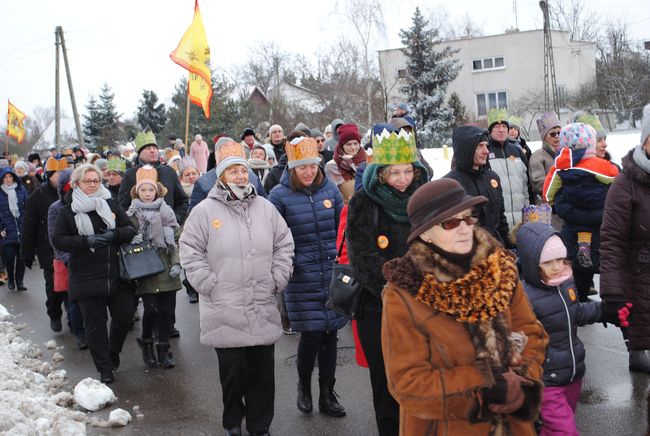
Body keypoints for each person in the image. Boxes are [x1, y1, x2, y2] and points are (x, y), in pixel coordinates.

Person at [381, 178, 548, 435]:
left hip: (515, 426)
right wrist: (485, 388)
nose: (463, 228)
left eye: (468, 218)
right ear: (425, 233)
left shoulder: (499, 268)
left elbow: (532, 333)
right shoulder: (404, 293)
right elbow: (407, 383)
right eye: (449, 223)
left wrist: (522, 382)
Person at [179, 150, 294, 436]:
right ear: (221, 177)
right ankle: (233, 421)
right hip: (224, 305)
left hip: (262, 302)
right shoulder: (204, 211)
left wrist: (278, 276)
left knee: (263, 373)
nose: (240, 176)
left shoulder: (265, 208)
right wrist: (207, 283)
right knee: (233, 374)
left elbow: (284, 244)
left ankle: (259, 425)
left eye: (243, 171)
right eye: (233, 172)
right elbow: (190, 251)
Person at [346, 124, 429, 435]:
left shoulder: (421, 199)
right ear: (381, 173)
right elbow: (363, 258)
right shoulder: (364, 202)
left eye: (407, 171)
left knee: (422, 381)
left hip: (422, 306)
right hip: (379, 309)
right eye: (394, 173)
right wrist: (395, 292)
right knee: (387, 386)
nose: (402, 179)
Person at [267, 137, 347, 418]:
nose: (309, 172)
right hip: (301, 275)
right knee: (311, 335)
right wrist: (287, 265)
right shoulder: (278, 195)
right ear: (292, 169)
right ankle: (304, 385)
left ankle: (327, 393)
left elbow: (342, 228)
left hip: (331, 274)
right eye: (303, 168)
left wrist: (343, 260)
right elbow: (274, 237)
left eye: (312, 167)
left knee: (331, 334)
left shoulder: (330, 190)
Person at [516, 222, 604, 435]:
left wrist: (605, 311)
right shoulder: (524, 297)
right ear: (532, 263)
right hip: (547, 380)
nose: (556, 266)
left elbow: (576, 313)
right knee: (565, 430)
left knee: (555, 427)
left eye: (560, 259)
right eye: (548, 262)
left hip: (574, 374)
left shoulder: (566, 283)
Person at [51, 164, 136, 384]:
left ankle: (113, 352)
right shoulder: (67, 211)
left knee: (124, 316)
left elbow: (130, 230)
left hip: (116, 273)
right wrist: (84, 241)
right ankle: (104, 368)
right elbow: (58, 240)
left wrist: (113, 235)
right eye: (87, 181)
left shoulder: (110, 203)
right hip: (86, 277)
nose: (92, 185)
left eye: (96, 181)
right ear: (77, 183)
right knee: (95, 325)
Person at [600, 104, 650, 373]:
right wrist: (612, 293)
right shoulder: (624, 184)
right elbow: (612, 241)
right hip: (639, 273)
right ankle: (637, 349)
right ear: (645, 140)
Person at [543, 123, 619, 298]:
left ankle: (579, 301)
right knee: (605, 265)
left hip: (573, 224)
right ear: (590, 143)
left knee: (578, 272)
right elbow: (616, 180)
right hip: (599, 222)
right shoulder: (599, 165)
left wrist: (557, 200)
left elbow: (548, 193)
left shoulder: (560, 167)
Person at [126, 166, 182, 369]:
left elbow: (175, 240)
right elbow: (124, 238)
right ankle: (147, 343)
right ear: (137, 192)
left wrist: (176, 263)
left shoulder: (166, 212)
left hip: (166, 266)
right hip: (145, 268)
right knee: (150, 310)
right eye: (143, 190)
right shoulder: (131, 214)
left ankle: (164, 349)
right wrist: (132, 238)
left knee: (166, 311)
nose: (147, 194)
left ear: (157, 191)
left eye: (151, 190)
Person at [444, 125, 511, 247]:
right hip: (468, 252)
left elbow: (500, 218)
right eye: (480, 146)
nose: (486, 151)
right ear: (466, 149)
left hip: (496, 249)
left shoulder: (492, 178)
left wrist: (509, 245)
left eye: (486, 146)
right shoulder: (449, 184)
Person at [21, 156, 65, 330]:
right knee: (53, 286)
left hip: (69, 247)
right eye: (57, 175)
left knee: (71, 287)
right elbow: (29, 226)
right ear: (49, 175)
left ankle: (74, 320)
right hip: (47, 248)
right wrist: (27, 253)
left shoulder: (71, 193)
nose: (60, 178)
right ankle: (54, 314)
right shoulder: (37, 196)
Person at [47, 168, 87, 350]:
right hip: (67, 259)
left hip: (87, 256)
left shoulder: (86, 203)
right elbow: (54, 238)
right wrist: (68, 259)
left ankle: (85, 327)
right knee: (72, 298)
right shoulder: (56, 209)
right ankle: (79, 333)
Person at [189, 138, 266, 213]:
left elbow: (264, 206)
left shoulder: (252, 177)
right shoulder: (204, 183)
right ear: (217, 155)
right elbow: (195, 215)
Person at [486, 108, 531, 227]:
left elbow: (526, 185)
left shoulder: (517, 151)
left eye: (504, 127)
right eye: (496, 127)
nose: (501, 130)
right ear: (490, 130)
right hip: (498, 221)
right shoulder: (485, 152)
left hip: (521, 219)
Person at [0, 166, 28, 290]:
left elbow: (27, 208)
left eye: (10, 176)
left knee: (22, 258)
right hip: (7, 230)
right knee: (9, 257)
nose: (8, 179)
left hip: (21, 229)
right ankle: (11, 279)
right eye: (5, 177)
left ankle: (20, 281)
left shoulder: (21, 189)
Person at [529, 111, 562, 202]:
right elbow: (539, 185)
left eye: (559, 133)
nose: (557, 136)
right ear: (544, 137)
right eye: (552, 134)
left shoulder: (568, 153)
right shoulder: (537, 156)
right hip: (548, 208)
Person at [333, 123, 368, 203]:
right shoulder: (332, 166)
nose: (353, 147)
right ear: (342, 146)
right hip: (346, 210)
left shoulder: (368, 160)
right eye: (348, 144)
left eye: (355, 143)